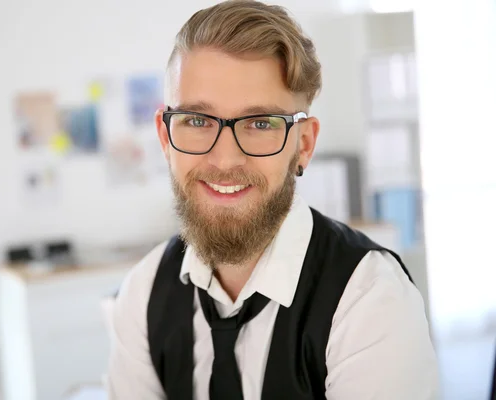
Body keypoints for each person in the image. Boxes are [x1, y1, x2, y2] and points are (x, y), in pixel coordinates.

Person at [107, 1, 439, 399]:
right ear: (165, 138)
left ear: (304, 144)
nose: (225, 159)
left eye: (260, 123)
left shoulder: (370, 299)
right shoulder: (142, 294)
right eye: (197, 120)